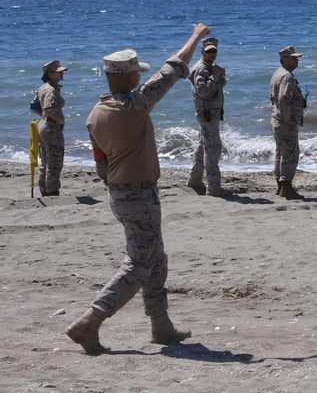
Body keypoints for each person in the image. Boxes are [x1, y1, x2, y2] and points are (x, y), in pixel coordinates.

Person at [65, 23, 210, 354]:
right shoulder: (134, 105)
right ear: (131, 77)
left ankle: (161, 326)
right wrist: (195, 37)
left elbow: (101, 164)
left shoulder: (95, 114)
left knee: (155, 258)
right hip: (139, 194)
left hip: (120, 193)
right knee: (139, 263)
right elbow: (172, 70)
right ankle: (90, 321)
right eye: (137, 75)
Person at [187, 37, 227, 196]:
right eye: (209, 52)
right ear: (202, 52)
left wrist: (221, 76)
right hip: (207, 114)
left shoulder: (210, 68)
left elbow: (218, 87)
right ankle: (214, 187)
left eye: (214, 52)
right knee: (213, 149)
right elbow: (202, 91)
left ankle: (195, 179)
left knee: (203, 147)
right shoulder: (201, 69)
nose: (212, 54)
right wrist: (214, 76)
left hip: (212, 114)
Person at [270, 46, 308, 199]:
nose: (296, 60)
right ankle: (286, 187)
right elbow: (283, 98)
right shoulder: (286, 76)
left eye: (296, 58)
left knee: (281, 153)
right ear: (284, 59)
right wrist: (287, 117)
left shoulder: (279, 73)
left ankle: (281, 186)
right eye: (293, 58)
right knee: (290, 154)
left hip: (277, 120)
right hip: (284, 122)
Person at [32, 60, 69, 196]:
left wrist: (44, 116)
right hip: (51, 128)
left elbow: (34, 107)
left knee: (46, 160)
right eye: (59, 72)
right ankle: (52, 192)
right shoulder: (50, 90)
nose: (62, 74)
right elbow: (49, 109)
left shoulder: (43, 88)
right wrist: (60, 120)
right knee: (55, 162)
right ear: (50, 73)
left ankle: (44, 189)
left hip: (44, 126)